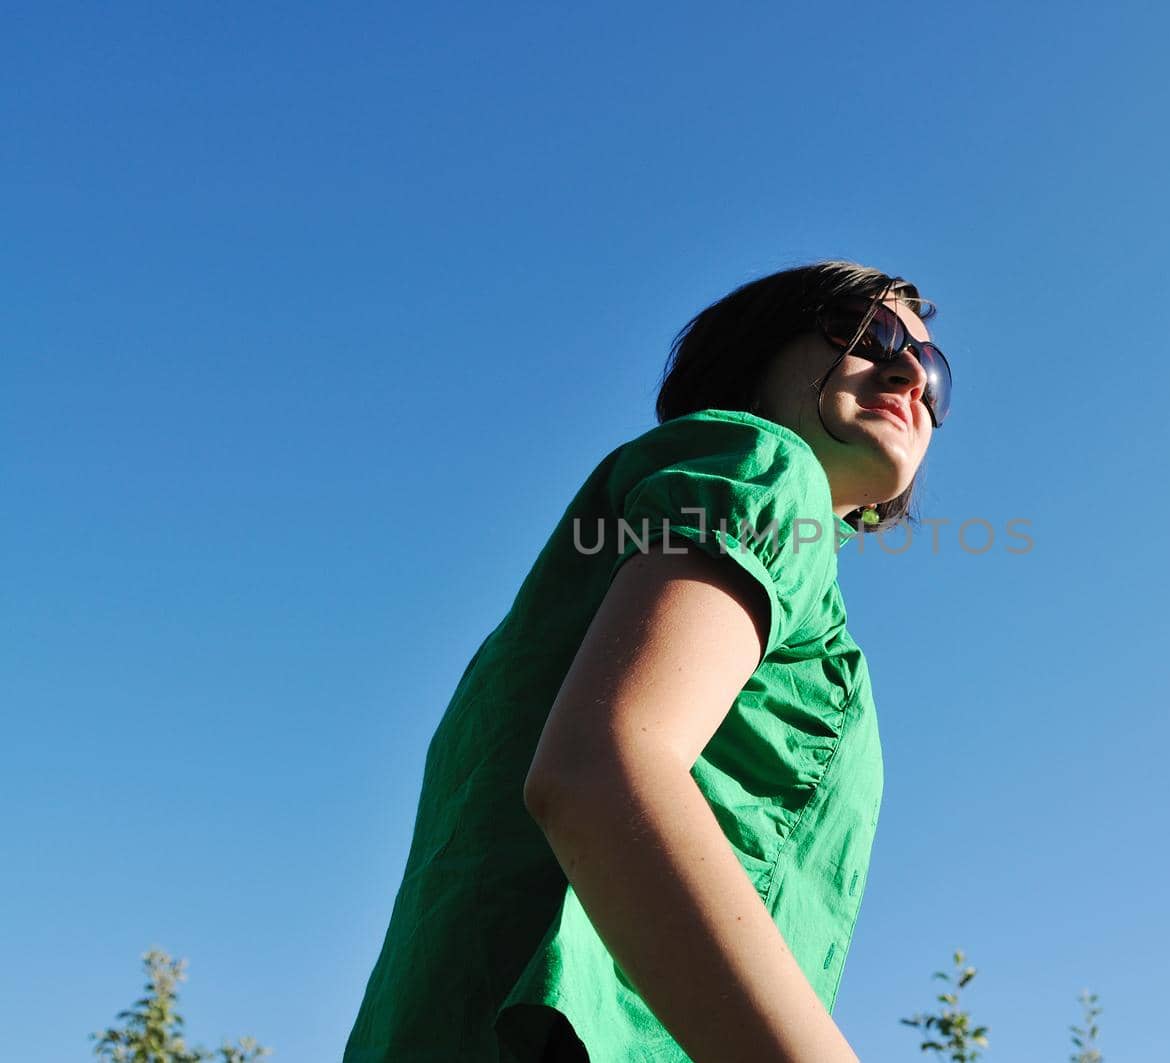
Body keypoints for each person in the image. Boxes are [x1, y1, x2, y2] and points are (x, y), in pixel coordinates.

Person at [343, 259, 953, 1061]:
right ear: (755, 353)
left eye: (935, 372)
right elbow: (602, 766)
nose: (910, 370)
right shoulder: (766, 470)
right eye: (867, 332)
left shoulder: (562, 608)